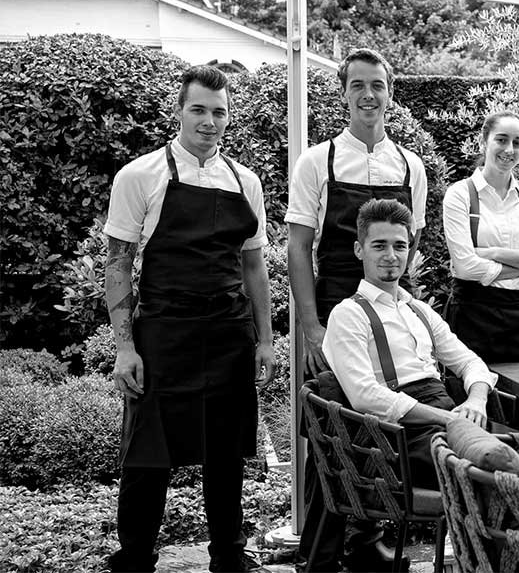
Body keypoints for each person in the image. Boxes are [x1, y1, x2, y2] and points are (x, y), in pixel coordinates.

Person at [104, 65, 273, 573]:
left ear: (228, 117)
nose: (208, 121)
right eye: (198, 109)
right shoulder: (139, 176)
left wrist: (265, 340)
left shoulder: (246, 181)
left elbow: (254, 266)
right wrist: (125, 348)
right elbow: (117, 264)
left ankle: (229, 557)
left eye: (218, 112)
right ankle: (135, 560)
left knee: (226, 456)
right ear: (178, 111)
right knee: (147, 456)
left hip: (229, 334)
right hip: (163, 334)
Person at [287, 48, 429, 571]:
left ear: (390, 93)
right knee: (331, 427)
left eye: (378, 85)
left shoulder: (410, 166)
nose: (368, 95)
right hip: (332, 306)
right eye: (358, 85)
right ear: (343, 92)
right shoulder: (317, 161)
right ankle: (319, 556)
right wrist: (311, 326)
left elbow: (409, 244)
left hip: (387, 308)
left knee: (385, 418)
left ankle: (367, 543)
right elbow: (298, 247)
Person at [319, 198, 496, 565]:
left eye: (399, 246)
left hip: (450, 420)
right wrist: (446, 418)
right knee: (496, 472)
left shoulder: (420, 311)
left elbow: (470, 363)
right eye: (379, 245)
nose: (391, 255)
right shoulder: (348, 314)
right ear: (359, 250)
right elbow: (365, 395)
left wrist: (476, 400)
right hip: (400, 438)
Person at [442, 111, 519, 362]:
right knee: (472, 386)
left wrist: (492, 253)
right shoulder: (460, 194)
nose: (509, 149)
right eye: (502, 140)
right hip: (472, 317)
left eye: (517, 142)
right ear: (484, 142)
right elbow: (465, 267)